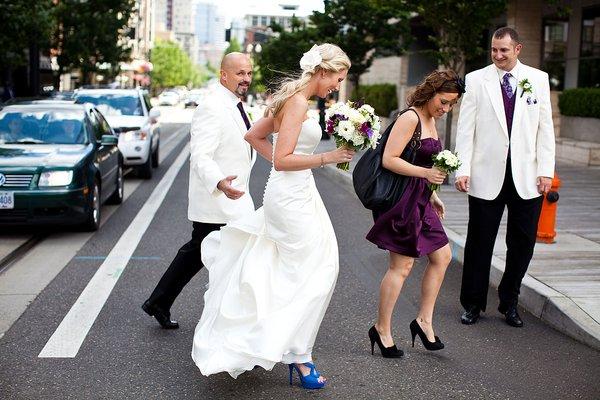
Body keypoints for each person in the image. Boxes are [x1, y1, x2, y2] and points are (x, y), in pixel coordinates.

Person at [191, 44, 354, 389]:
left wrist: (289, 168)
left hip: (295, 191)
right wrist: (330, 157)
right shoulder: (296, 102)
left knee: (304, 268)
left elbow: (254, 136)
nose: (337, 86)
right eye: (337, 79)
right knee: (318, 269)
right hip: (291, 196)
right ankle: (298, 354)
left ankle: (286, 346)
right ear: (323, 72)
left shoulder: (296, 98)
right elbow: (282, 159)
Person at [142, 52, 255, 329]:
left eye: (249, 73)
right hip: (218, 200)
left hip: (231, 198)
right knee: (223, 255)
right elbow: (201, 155)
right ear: (223, 74)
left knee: (199, 253)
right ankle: (225, 320)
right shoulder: (212, 106)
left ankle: (160, 302)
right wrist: (219, 182)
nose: (246, 79)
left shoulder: (235, 104)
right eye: (240, 73)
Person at [454, 27, 555, 328]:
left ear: (518, 49)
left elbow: (545, 128)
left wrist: (545, 171)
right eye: (494, 50)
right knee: (479, 242)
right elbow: (465, 128)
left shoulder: (538, 79)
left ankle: (509, 302)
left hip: (527, 176)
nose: (498, 55)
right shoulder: (475, 80)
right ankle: (472, 304)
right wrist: (463, 168)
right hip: (486, 174)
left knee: (523, 243)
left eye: (504, 51)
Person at [365, 70, 464, 356]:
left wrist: (432, 195)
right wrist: (426, 174)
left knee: (443, 256)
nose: (445, 109)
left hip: (421, 199)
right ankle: (381, 329)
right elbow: (390, 159)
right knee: (402, 267)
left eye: (450, 105)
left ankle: (423, 321)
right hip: (401, 202)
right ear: (431, 92)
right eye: (443, 102)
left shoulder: (431, 119)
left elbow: (417, 159)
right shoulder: (410, 118)